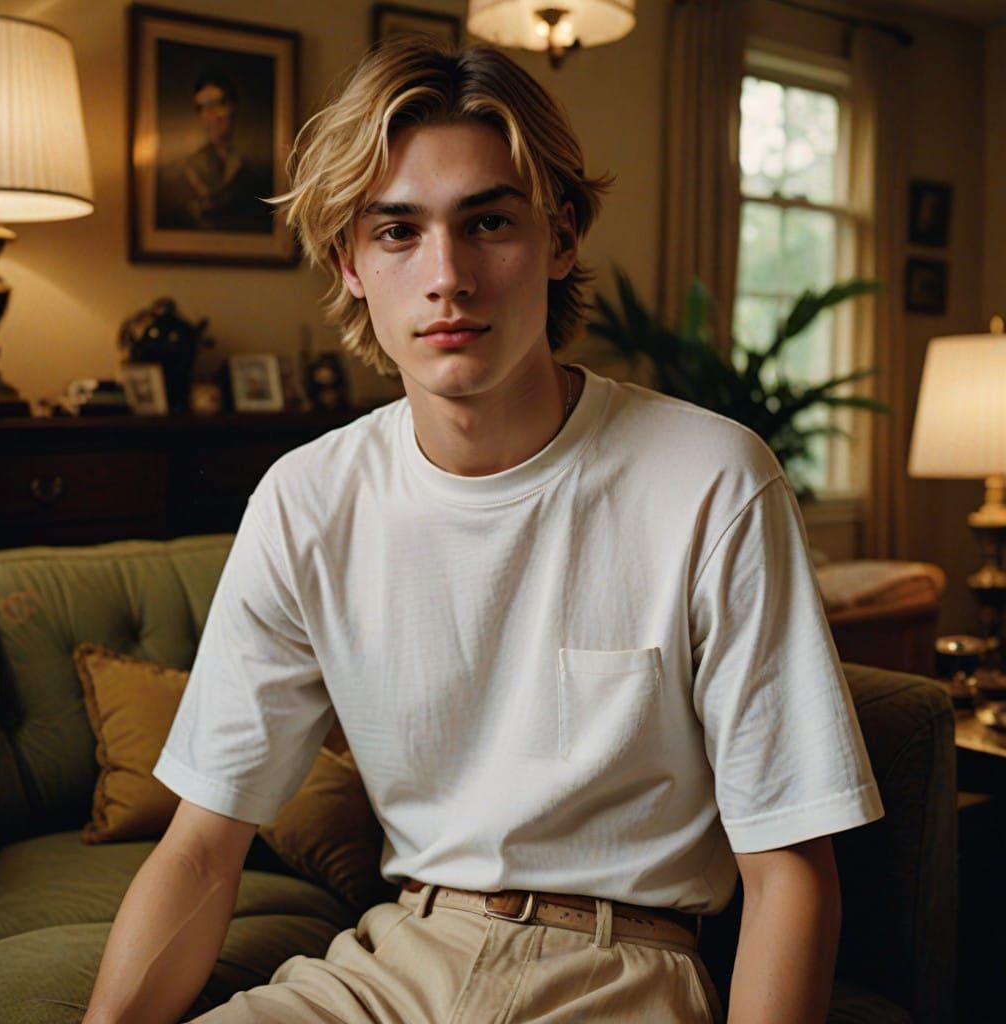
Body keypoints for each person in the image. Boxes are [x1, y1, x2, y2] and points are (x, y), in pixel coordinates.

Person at [83, 36, 883, 1024]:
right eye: (397, 232)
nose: (447, 276)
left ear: (561, 235)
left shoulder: (711, 479)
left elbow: (791, 872)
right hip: (395, 958)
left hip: (620, 967)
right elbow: (203, 846)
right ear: (350, 261)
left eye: (488, 221)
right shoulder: (308, 499)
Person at [155, 70, 273, 234]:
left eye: (218, 104)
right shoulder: (186, 170)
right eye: (203, 107)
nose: (211, 115)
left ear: (233, 106)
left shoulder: (256, 170)